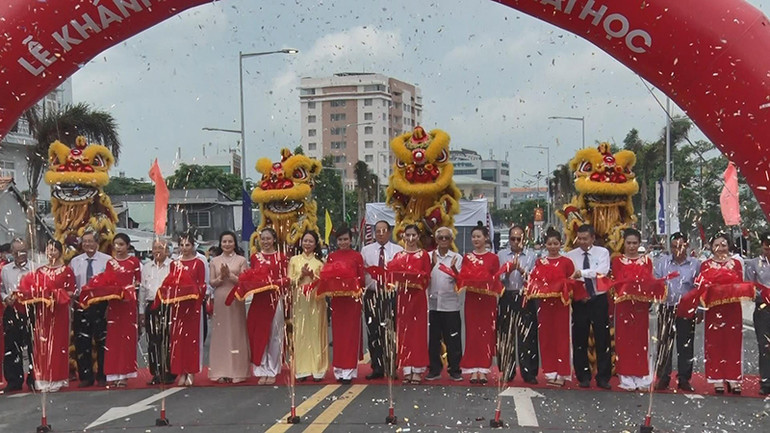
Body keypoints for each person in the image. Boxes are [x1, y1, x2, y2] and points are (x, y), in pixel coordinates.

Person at [16, 241, 75, 392]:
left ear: (60, 252)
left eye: (54, 250)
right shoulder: (39, 271)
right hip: (43, 313)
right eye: (49, 250)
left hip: (60, 312)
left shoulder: (66, 271)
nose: (51, 253)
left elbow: (71, 292)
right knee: (42, 345)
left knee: (58, 345)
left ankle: (57, 378)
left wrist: (55, 294)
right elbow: (31, 290)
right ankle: (42, 379)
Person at [696, 233, 751, 394]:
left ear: (729, 246)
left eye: (724, 244)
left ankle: (734, 379)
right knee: (715, 342)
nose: (721, 248)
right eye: (717, 245)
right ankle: (717, 378)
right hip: (713, 309)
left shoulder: (736, 263)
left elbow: (740, 283)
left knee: (733, 342)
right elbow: (702, 286)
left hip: (732, 308)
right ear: (712, 247)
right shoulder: (705, 264)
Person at [525, 229, 577, 387]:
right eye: (549, 244)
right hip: (545, 304)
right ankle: (550, 371)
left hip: (561, 304)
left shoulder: (566, 262)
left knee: (561, 337)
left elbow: (572, 281)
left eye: (556, 243)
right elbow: (535, 280)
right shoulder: (540, 262)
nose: (553, 246)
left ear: (560, 243)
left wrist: (562, 285)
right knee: (546, 337)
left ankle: (562, 372)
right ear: (545, 244)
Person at [611, 228, 661, 391]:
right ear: (623, 243)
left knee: (641, 340)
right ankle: (626, 376)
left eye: (635, 243)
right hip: (624, 305)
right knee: (624, 340)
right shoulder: (617, 261)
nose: (632, 246)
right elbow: (619, 282)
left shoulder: (646, 261)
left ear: (639, 244)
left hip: (640, 306)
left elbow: (649, 281)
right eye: (629, 243)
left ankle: (641, 375)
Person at [566, 224, 612, 389]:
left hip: (598, 300)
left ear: (593, 238)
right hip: (580, 302)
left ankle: (603, 376)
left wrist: (582, 273)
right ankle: (583, 376)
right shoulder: (570, 256)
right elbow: (569, 277)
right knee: (580, 339)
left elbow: (602, 272)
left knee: (602, 339)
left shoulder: (602, 252)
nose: (583, 242)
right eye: (580, 238)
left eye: (586, 238)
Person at [653, 232, 700, 392]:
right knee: (664, 344)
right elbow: (656, 282)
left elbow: (700, 288)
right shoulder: (662, 263)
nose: (677, 250)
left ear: (686, 245)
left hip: (687, 309)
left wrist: (700, 308)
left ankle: (684, 378)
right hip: (667, 307)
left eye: (680, 246)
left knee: (685, 344)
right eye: (674, 247)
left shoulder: (695, 264)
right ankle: (663, 378)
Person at [458, 222, 501, 384]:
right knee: (472, 334)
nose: (476, 239)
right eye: (473, 237)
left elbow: (496, 278)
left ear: (485, 238)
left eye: (479, 236)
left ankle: (483, 370)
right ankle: (472, 369)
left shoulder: (493, 258)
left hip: (488, 300)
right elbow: (463, 276)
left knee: (486, 334)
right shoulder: (467, 257)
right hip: (472, 299)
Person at [360, 220, 403, 379]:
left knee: (390, 331)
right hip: (372, 295)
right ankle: (377, 367)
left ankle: (391, 366)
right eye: (377, 231)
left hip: (390, 295)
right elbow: (361, 273)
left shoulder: (398, 250)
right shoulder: (366, 250)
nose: (380, 233)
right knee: (373, 332)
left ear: (389, 232)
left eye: (384, 230)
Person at [389, 224, 431, 384]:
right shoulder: (398, 256)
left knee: (418, 334)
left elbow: (427, 277)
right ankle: (407, 368)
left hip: (419, 298)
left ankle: (418, 369)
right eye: (408, 235)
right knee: (404, 333)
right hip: (403, 298)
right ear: (403, 236)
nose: (411, 238)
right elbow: (392, 277)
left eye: (414, 235)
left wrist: (416, 279)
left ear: (418, 237)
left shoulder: (423, 255)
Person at [323, 226, 365, 384]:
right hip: (337, 300)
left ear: (351, 240)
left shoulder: (357, 256)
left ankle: (349, 371)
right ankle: (339, 369)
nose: (343, 242)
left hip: (352, 301)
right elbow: (327, 277)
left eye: (346, 239)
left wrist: (350, 282)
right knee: (339, 335)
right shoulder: (332, 257)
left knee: (351, 335)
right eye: (340, 239)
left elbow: (361, 279)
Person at [497, 225, 538, 383]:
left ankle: (529, 372)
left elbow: (534, 278)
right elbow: (497, 278)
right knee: (506, 333)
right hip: (507, 295)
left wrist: (521, 270)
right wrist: (507, 271)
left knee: (526, 334)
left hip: (525, 296)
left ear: (524, 239)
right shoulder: (501, 255)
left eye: (519, 238)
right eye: (512, 239)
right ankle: (508, 370)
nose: (516, 242)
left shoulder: (532, 255)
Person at [208, 231, 250, 384]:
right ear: (220, 244)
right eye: (224, 242)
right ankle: (221, 370)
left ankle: (238, 371)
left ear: (235, 243)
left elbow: (244, 281)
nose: (227, 244)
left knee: (236, 331)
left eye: (230, 242)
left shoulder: (241, 260)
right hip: (220, 297)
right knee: (221, 333)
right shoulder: (214, 261)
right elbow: (212, 282)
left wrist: (230, 276)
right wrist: (221, 277)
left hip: (235, 298)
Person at [248, 227, 289, 385]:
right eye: (262, 239)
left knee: (274, 335)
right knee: (259, 334)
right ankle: (261, 369)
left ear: (274, 240)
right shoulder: (255, 258)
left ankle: (273, 369)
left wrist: (273, 283)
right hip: (259, 300)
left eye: (268, 239)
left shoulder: (281, 257)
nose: (265, 242)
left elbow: (287, 279)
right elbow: (251, 276)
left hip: (274, 299)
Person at [70, 231, 111, 387]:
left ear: (97, 243)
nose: (87, 244)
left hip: (100, 304)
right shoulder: (75, 261)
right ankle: (86, 376)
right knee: (82, 341)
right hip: (81, 304)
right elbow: (72, 284)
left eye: (90, 241)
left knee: (102, 340)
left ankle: (102, 374)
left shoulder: (106, 260)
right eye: (84, 241)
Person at [168, 232, 207, 386]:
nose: (184, 248)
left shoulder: (199, 263)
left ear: (193, 246)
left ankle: (191, 371)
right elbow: (171, 282)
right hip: (178, 307)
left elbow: (203, 284)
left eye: (188, 245)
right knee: (179, 340)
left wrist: (194, 293)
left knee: (192, 340)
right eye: (182, 245)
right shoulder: (174, 263)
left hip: (193, 306)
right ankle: (181, 371)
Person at [102, 233, 141, 387]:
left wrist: (130, 289)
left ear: (128, 245)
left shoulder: (134, 262)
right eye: (116, 244)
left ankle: (125, 374)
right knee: (113, 339)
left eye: (121, 244)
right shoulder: (110, 263)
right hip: (114, 304)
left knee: (126, 339)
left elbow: (138, 281)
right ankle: (113, 374)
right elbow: (107, 282)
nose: (118, 248)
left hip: (128, 304)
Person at [288, 230, 327, 381]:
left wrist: (312, 276)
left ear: (315, 244)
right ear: (301, 242)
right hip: (300, 300)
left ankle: (318, 368)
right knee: (301, 332)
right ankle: (302, 369)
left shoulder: (319, 263)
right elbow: (289, 281)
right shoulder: (294, 261)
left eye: (311, 241)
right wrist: (301, 275)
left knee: (316, 332)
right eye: (305, 241)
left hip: (316, 300)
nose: (307, 244)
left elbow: (324, 283)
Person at [426, 226, 463, 382]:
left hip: (450, 305)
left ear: (451, 240)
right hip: (433, 305)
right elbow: (422, 278)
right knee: (433, 340)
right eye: (440, 238)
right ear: (436, 240)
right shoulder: (428, 256)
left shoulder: (457, 258)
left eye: (446, 238)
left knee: (453, 339)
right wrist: (431, 265)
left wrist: (454, 270)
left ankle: (454, 369)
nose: (443, 241)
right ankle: (435, 369)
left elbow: (461, 281)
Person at [1, 238, 35, 392]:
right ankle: (14, 380)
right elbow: (2, 289)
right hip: (12, 309)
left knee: (33, 345)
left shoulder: (35, 266)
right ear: (11, 253)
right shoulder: (6, 270)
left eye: (23, 251)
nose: (20, 254)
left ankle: (34, 378)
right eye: (17, 252)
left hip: (31, 309)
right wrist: (5, 297)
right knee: (12, 345)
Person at [139, 238, 174, 385]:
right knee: (153, 341)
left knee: (167, 339)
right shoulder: (146, 267)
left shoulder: (173, 266)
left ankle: (170, 372)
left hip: (168, 305)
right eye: (155, 248)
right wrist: (141, 311)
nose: (158, 251)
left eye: (161, 248)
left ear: (167, 250)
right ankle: (156, 372)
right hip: (151, 305)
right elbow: (142, 290)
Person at [746, 231, 770, 396]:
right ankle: (766, 381)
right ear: (762, 246)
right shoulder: (754, 264)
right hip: (763, 308)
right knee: (765, 346)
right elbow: (749, 288)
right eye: (767, 247)